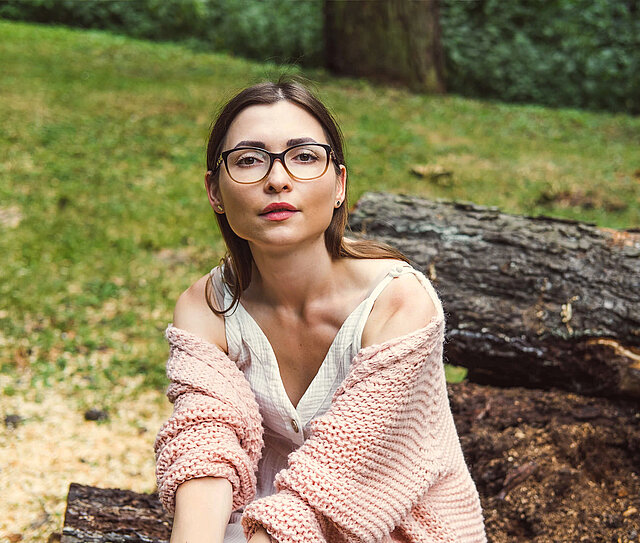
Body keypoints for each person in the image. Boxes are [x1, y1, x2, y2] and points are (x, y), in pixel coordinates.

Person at [155, 79, 486, 543]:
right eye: (249, 160)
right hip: (260, 526)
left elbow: (335, 488)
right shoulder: (206, 307)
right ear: (215, 192)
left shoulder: (399, 305)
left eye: (304, 156)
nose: (277, 178)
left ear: (339, 184)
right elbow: (205, 444)